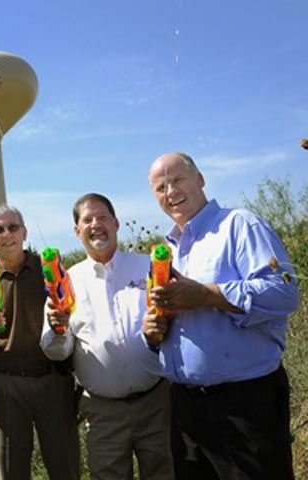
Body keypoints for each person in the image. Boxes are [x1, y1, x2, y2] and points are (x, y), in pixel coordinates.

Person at [143, 152, 300, 479]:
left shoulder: (240, 225)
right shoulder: (166, 250)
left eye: (177, 180)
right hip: (185, 409)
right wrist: (154, 330)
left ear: (200, 179)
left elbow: (284, 293)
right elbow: (175, 322)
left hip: (244, 405)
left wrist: (208, 295)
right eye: (160, 187)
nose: (170, 192)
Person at [40, 193, 173, 480]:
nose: (95, 224)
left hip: (157, 402)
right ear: (77, 231)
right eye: (87, 220)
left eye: (102, 217)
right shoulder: (66, 282)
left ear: (116, 223)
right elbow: (57, 352)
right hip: (102, 412)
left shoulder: (146, 267)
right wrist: (58, 328)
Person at [0, 204, 80, 480]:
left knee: (66, 468)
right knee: (12, 469)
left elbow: (78, 327)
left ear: (25, 232)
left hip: (54, 381)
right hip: (6, 386)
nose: (7, 234)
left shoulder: (51, 273)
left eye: (13, 227)